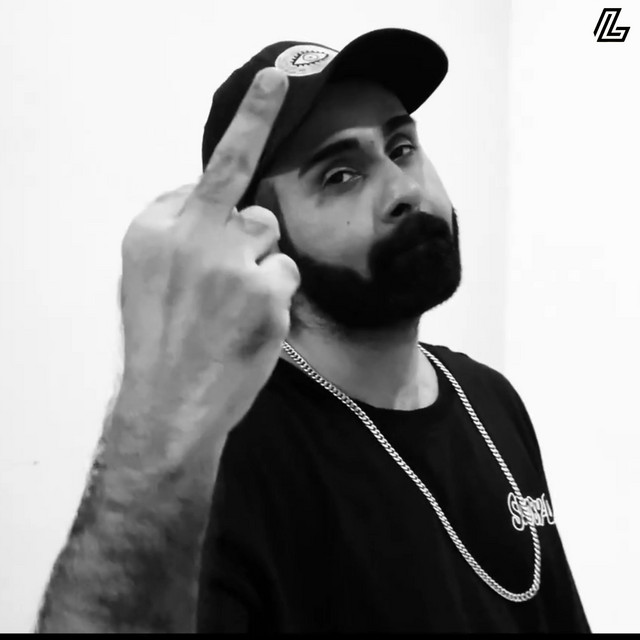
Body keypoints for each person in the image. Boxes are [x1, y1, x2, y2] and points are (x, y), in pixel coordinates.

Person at [34, 29, 590, 634]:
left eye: (402, 147)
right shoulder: (229, 453)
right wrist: (153, 422)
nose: (405, 191)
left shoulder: (491, 399)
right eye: (340, 175)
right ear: (266, 233)